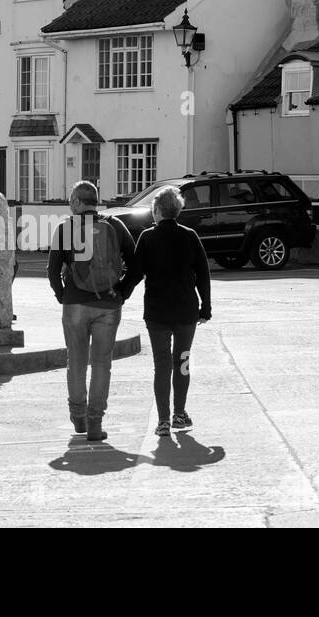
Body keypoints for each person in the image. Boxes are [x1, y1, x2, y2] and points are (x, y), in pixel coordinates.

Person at [47, 181, 137, 442]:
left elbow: (53, 271)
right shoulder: (115, 226)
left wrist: (63, 296)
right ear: (95, 201)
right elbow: (136, 264)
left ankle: (79, 418)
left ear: (76, 202)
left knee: (75, 362)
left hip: (75, 304)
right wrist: (122, 292)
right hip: (108, 305)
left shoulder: (66, 228)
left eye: (70, 201)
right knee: (101, 365)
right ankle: (96, 423)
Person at [120, 186, 212, 437]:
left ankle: (163, 421)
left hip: (157, 312)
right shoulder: (190, 236)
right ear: (178, 210)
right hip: (186, 311)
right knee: (182, 362)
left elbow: (136, 273)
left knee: (161, 366)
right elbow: (203, 274)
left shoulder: (148, 237)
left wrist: (120, 295)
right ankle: (180, 414)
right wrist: (206, 307)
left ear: (158, 210)